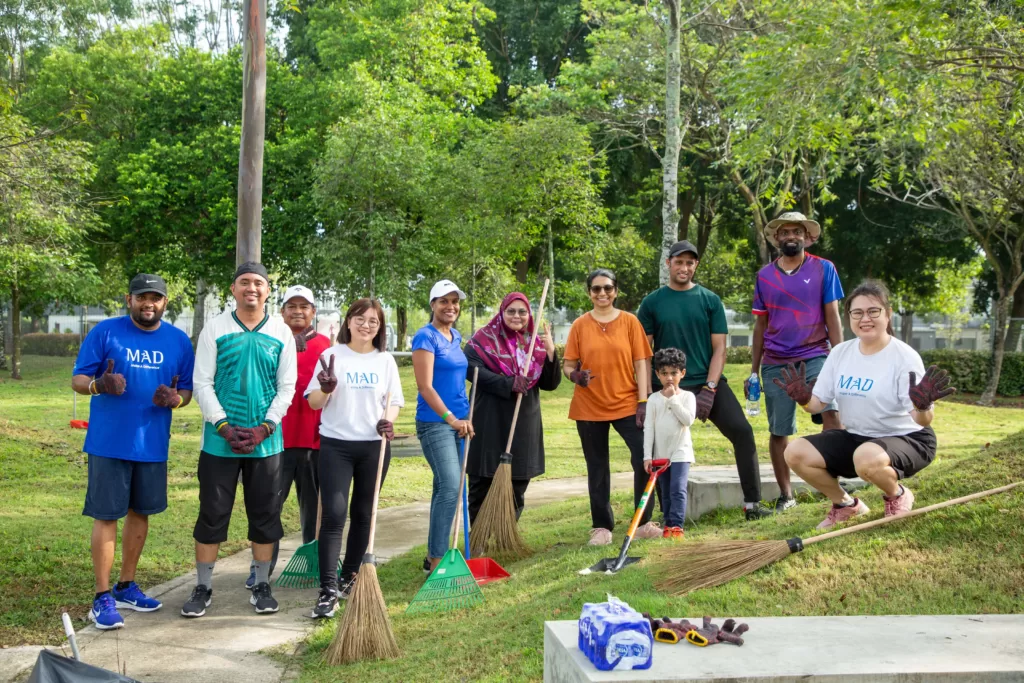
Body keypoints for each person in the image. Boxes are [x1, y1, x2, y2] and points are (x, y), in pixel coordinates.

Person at [71, 274, 195, 630]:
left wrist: (176, 400)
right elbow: (78, 379)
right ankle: (102, 596)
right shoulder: (105, 332)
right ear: (129, 300)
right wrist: (99, 385)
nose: (148, 304)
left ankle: (126, 585)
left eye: (155, 298)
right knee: (107, 515)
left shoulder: (178, 341)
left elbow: (184, 390)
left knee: (141, 513)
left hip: (153, 443)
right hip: (109, 442)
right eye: (142, 297)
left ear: (165, 303)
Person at [780, 280, 955, 529]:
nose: (865, 319)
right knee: (795, 452)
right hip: (858, 437)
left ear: (888, 314)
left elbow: (922, 420)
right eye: (857, 313)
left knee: (866, 457)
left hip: (909, 438)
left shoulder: (904, 357)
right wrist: (804, 399)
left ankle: (898, 495)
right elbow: (817, 405)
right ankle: (846, 506)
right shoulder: (841, 353)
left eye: (874, 311)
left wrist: (923, 406)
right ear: (849, 317)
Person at [183, 262, 297, 618]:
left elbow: (287, 387)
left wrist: (265, 426)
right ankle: (203, 587)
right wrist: (222, 425)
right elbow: (202, 382)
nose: (251, 288)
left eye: (258, 283)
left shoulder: (281, 332)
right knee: (213, 513)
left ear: (267, 291)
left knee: (264, 514)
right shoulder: (215, 328)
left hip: (266, 443)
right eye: (244, 282)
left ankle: (261, 585)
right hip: (220, 443)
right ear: (232, 289)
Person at [638, 241, 773, 520]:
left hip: (705, 382)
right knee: (660, 446)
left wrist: (710, 389)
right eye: (679, 262)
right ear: (669, 264)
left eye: (690, 262)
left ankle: (753, 505)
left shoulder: (710, 300)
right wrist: (648, 395)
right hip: (667, 385)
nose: (684, 267)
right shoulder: (652, 302)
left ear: (695, 265)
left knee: (743, 432)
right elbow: (643, 353)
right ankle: (667, 513)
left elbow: (719, 349)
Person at [304, 298, 403, 618]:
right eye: (360, 319)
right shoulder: (331, 356)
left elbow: (394, 401)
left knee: (364, 514)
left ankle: (349, 577)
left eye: (374, 321)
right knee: (333, 515)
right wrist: (327, 388)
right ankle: (327, 590)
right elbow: (314, 404)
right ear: (348, 322)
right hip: (336, 445)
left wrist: (389, 419)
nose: (366, 325)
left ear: (380, 328)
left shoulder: (385, 360)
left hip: (374, 447)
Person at [748, 211, 845, 512]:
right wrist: (753, 371)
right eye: (785, 232)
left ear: (806, 236)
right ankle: (786, 495)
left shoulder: (824, 269)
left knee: (831, 415)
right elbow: (760, 326)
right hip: (776, 361)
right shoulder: (764, 276)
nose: (791, 236)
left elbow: (833, 316)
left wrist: (840, 359)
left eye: (797, 232)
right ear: (776, 238)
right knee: (779, 429)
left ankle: (833, 485)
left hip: (816, 354)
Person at [245, 285, 331, 589]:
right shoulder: (270, 340)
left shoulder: (325, 346)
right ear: (281, 311)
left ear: (313, 312)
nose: (297, 311)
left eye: (304, 306)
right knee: (268, 506)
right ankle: (261, 568)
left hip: (313, 441)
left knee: (313, 508)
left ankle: (315, 560)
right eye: (291, 306)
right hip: (274, 440)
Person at [563, 268, 655, 546]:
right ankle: (601, 526)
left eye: (607, 288)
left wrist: (644, 400)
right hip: (589, 406)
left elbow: (641, 362)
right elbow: (568, 365)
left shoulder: (629, 322)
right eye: (596, 289)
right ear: (589, 292)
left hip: (628, 403)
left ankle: (643, 521)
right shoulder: (580, 325)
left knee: (644, 459)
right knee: (597, 466)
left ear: (616, 290)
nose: (602, 293)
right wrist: (574, 376)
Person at [464, 292, 562, 522]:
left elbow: (550, 383)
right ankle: (479, 535)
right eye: (511, 311)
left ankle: (506, 534)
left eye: (522, 312)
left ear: (529, 315)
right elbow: (472, 370)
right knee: (482, 479)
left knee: (518, 480)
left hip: (522, 422)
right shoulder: (483, 339)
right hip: (489, 419)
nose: (516, 316)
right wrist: (508, 383)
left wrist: (550, 353)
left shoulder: (534, 345)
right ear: (502, 312)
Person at [412, 280, 474, 572]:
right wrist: (450, 417)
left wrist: (464, 419)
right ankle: (438, 559)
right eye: (444, 301)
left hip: (461, 424)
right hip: (435, 423)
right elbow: (425, 387)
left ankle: (432, 557)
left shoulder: (455, 336)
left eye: (455, 301)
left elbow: (457, 382)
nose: (451, 307)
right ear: (432, 305)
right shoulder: (425, 337)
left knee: (446, 488)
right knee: (450, 485)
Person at [643, 348, 696, 539]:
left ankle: (676, 526)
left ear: (682, 373)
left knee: (677, 490)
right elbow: (649, 428)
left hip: (680, 454)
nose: (669, 378)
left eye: (674, 373)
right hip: (660, 456)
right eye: (664, 373)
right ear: (657, 374)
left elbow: (687, 420)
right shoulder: (653, 400)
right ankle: (667, 525)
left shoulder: (687, 397)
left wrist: (673, 398)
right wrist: (648, 456)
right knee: (665, 492)